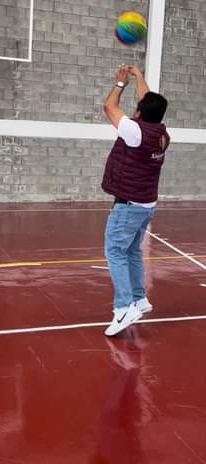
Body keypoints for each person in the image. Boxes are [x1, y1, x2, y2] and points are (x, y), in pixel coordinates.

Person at [102, 64, 170, 336]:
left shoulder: (135, 131)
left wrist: (120, 84)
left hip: (129, 205)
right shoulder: (161, 133)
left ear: (140, 112)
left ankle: (124, 308)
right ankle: (140, 299)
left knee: (116, 251)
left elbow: (109, 107)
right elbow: (150, 99)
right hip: (146, 204)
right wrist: (140, 76)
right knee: (131, 251)